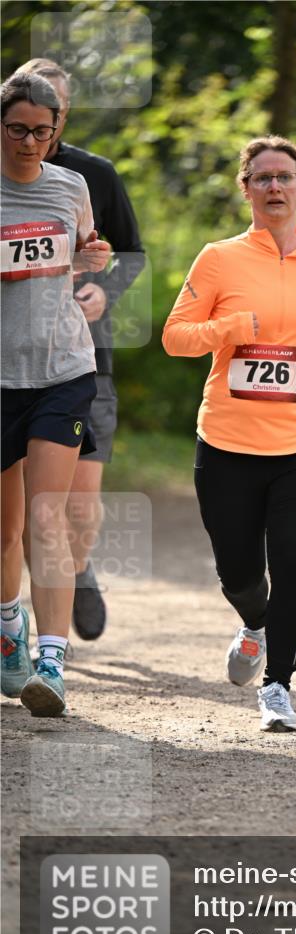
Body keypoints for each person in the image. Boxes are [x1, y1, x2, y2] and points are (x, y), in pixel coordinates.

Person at [163, 135, 296, 732]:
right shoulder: (218, 258)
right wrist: (226, 328)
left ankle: (278, 687)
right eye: (263, 178)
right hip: (227, 442)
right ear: (246, 188)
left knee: (292, 564)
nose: (275, 187)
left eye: (285, 177)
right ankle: (253, 625)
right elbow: (175, 336)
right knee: (239, 573)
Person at [17, 58, 146, 643]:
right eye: (28, 118)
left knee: (77, 502)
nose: (43, 129)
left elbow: (130, 253)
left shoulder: (91, 175)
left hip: (83, 356)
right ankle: (21, 626)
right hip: (10, 361)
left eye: (55, 114)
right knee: (22, 509)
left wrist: (102, 288)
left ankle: (79, 566)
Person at [1, 72, 110, 716]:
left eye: (45, 131)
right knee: (5, 530)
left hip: (62, 369)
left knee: (47, 515)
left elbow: (74, 254)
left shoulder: (72, 185)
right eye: (18, 129)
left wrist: (89, 260)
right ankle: (9, 627)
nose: (31, 142)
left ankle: (52, 662)